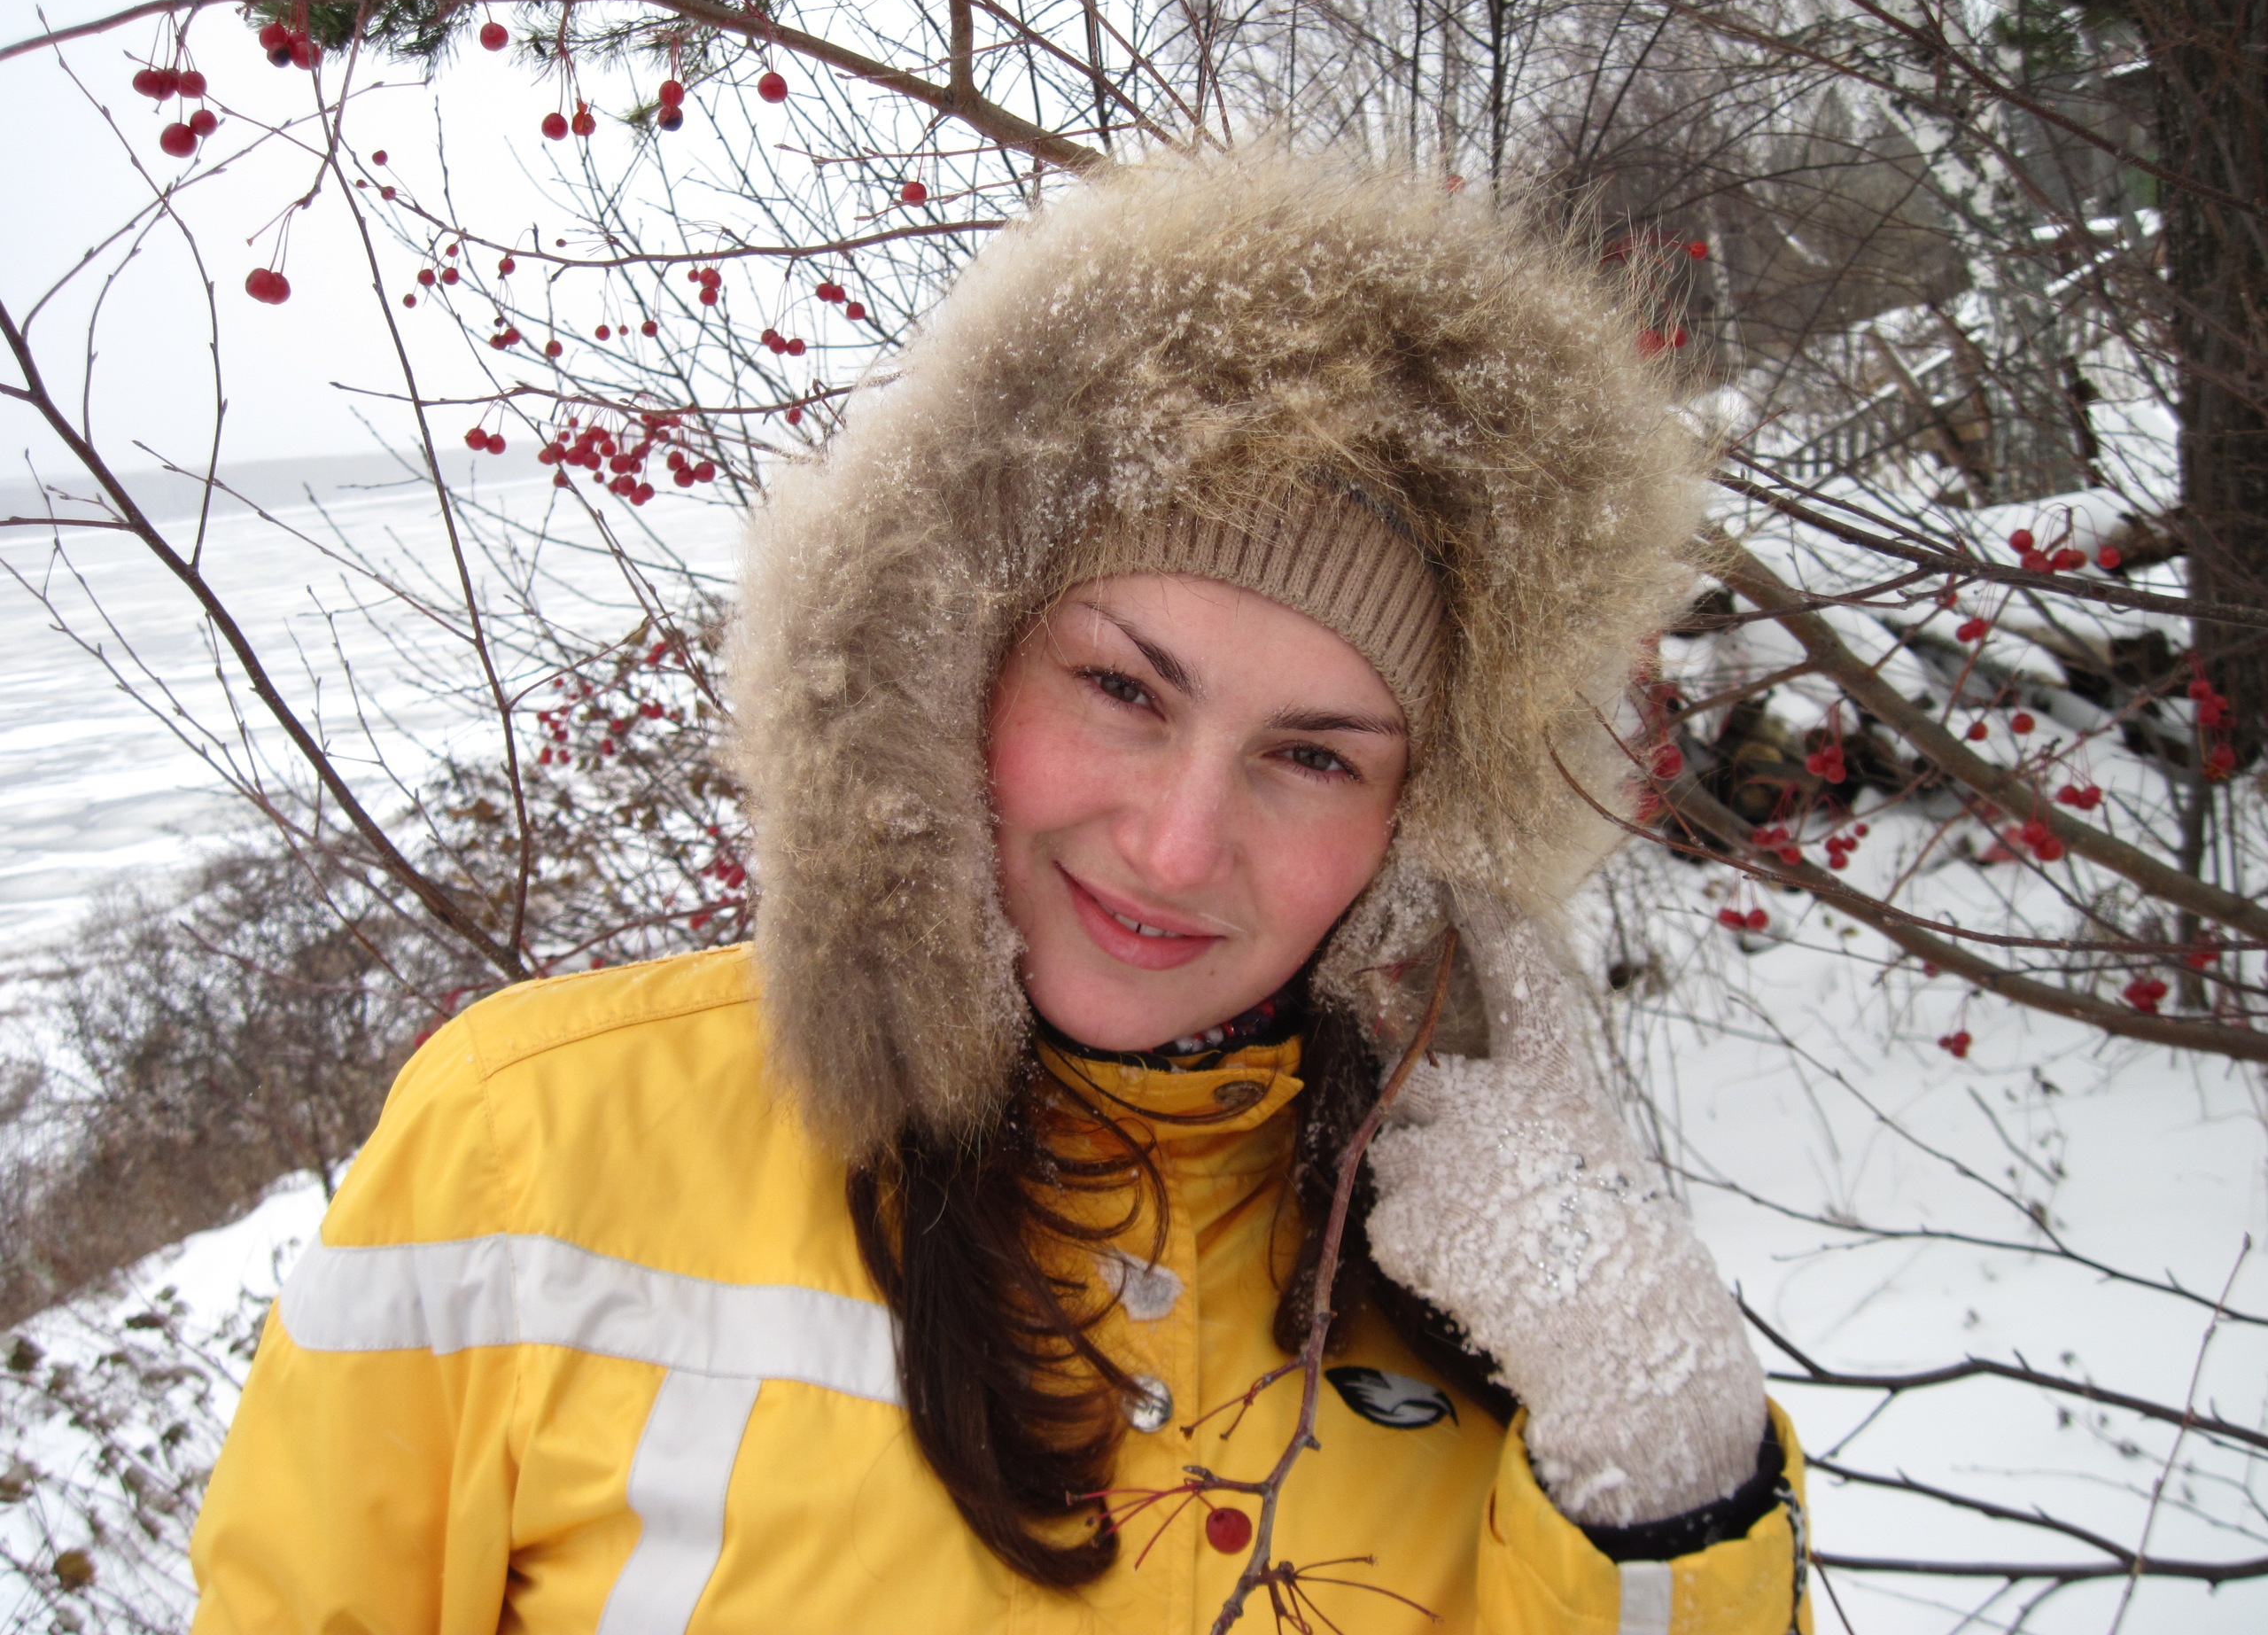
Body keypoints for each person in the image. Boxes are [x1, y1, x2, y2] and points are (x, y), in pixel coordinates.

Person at [190, 145, 1810, 1634]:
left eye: (1316, 757)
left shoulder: (1484, 1305)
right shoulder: (526, 1149)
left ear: (1422, 825)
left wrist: (1663, 1463)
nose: (1177, 848)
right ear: (953, 661)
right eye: (1121, 689)